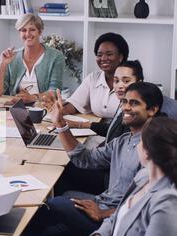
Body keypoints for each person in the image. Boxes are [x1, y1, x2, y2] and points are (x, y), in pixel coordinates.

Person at [22, 82, 163, 236]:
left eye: (134, 103)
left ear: (152, 110)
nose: (126, 107)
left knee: (56, 203)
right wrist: (60, 123)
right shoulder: (123, 141)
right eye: (124, 102)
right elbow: (85, 159)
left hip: (115, 219)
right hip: (102, 203)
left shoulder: (153, 149)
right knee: (45, 215)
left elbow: (145, 204)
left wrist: (104, 213)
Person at [22, 117, 177, 236]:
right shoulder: (143, 177)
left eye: (140, 141)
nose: (136, 145)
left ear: (147, 152)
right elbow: (115, 219)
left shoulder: (166, 204)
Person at [54, 60, 144, 197]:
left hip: (110, 179)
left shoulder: (135, 115)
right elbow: (112, 131)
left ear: (140, 82)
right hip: (106, 165)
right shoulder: (123, 107)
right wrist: (75, 124)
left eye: (126, 81)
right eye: (116, 81)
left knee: (60, 171)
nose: (120, 86)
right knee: (63, 167)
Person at [0, 13, 65, 104]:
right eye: (23, 30)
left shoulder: (56, 57)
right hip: (15, 109)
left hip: (43, 110)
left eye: (32, 30)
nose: (27, 34)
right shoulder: (12, 57)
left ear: (40, 31)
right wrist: (2, 64)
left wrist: (33, 97)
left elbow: (54, 92)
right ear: (19, 33)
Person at [63, 33, 129, 119]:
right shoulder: (93, 78)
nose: (103, 58)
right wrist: (60, 109)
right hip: (95, 128)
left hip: (121, 130)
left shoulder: (131, 80)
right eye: (99, 55)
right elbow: (75, 103)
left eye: (109, 54)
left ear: (120, 57)